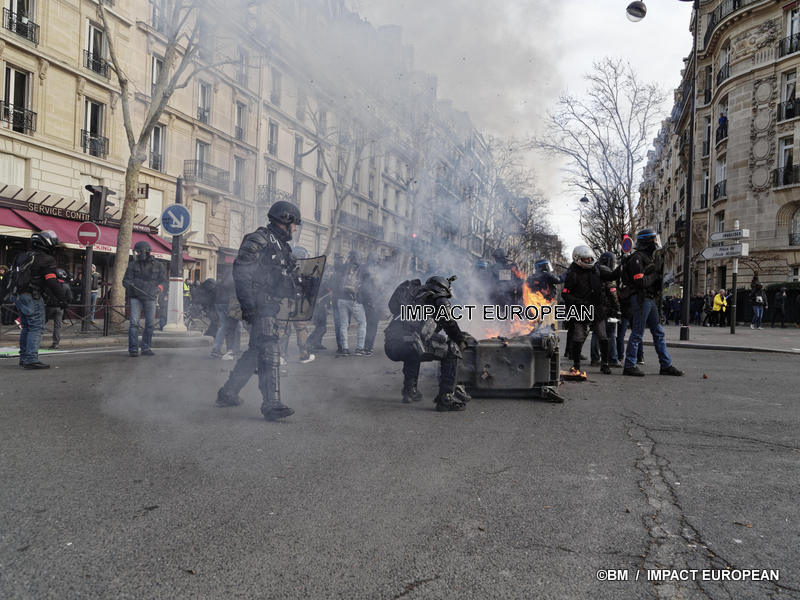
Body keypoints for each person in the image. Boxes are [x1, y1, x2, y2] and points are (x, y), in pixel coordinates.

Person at [216, 200, 303, 421]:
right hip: (259, 303)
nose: (295, 229)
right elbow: (242, 274)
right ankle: (271, 403)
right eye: (294, 224)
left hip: (271, 304)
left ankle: (228, 392)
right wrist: (249, 307)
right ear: (284, 220)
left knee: (255, 352)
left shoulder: (282, 246)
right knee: (270, 347)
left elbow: (288, 274)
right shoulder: (259, 239)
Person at [384, 275, 473, 411]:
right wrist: (460, 340)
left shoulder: (411, 295)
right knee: (452, 351)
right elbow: (450, 323)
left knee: (414, 350)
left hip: (391, 345)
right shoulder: (438, 299)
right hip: (409, 343)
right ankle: (446, 398)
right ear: (442, 289)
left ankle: (410, 391)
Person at [622, 228, 683, 377]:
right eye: (655, 239)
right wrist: (655, 275)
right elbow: (640, 282)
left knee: (658, 332)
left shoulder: (648, 258)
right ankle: (629, 365)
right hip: (641, 298)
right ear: (648, 241)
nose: (656, 242)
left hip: (649, 299)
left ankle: (665, 365)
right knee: (637, 333)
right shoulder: (637, 258)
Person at [11, 231, 69, 369]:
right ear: (46, 244)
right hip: (32, 296)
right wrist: (63, 298)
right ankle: (31, 359)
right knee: (36, 327)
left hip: (18, 295)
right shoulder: (46, 259)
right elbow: (51, 281)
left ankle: (24, 357)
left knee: (26, 327)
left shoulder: (22, 256)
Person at [561, 245, 611, 376]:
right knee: (578, 337)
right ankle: (576, 364)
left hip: (597, 308)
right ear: (578, 259)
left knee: (603, 336)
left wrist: (622, 266)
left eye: (590, 259)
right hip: (581, 309)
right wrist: (578, 302)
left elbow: (611, 276)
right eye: (585, 259)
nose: (588, 261)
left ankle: (605, 364)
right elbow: (565, 294)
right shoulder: (572, 274)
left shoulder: (597, 270)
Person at [123, 241, 167, 357]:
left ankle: (146, 348)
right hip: (136, 297)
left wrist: (159, 288)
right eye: (136, 251)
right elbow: (125, 280)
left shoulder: (158, 265)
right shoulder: (132, 265)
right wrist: (130, 284)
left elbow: (164, 281)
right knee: (133, 323)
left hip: (150, 298)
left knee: (150, 324)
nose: (136, 254)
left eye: (138, 251)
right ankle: (133, 349)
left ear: (144, 251)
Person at [590, 251, 621, 368]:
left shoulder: (594, 270)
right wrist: (617, 308)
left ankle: (595, 358)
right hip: (607, 308)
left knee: (596, 333)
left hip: (595, 307)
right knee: (611, 334)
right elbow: (612, 292)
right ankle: (612, 359)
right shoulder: (607, 272)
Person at [336, 250, 367, 356]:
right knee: (362, 323)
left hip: (341, 298)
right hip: (354, 299)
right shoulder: (361, 268)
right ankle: (359, 348)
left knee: (344, 324)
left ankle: (344, 348)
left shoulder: (343, 267)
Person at [210, 269, 242, 360]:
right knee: (232, 326)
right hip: (231, 302)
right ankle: (231, 350)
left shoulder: (224, 278)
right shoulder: (235, 277)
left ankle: (219, 349)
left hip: (220, 302)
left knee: (226, 326)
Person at [359, 252, 382, 355]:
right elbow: (375, 287)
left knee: (365, 324)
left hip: (364, 300)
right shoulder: (372, 270)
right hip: (371, 301)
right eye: (377, 260)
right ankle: (368, 348)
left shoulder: (362, 268)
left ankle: (364, 346)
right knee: (372, 325)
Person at [45, 268, 73, 350]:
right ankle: (55, 343)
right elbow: (70, 298)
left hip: (50, 306)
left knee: (41, 323)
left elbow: (45, 294)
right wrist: (65, 304)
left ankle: (36, 341)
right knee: (57, 326)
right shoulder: (66, 285)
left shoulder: (52, 284)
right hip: (60, 308)